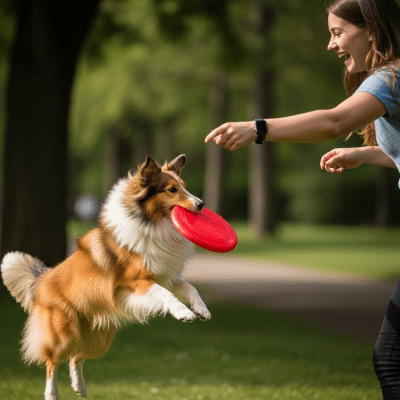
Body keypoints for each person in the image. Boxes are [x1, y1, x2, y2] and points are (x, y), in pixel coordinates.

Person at [204, 0, 400, 398]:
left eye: (337, 32)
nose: (331, 45)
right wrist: (366, 153)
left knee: (391, 359)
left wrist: (258, 127)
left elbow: (334, 122)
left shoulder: (390, 79)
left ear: (372, 31)